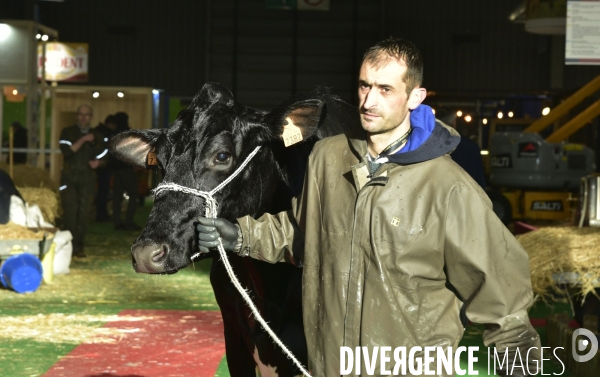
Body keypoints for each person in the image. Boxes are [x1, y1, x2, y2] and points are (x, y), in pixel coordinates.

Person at [196, 38, 541, 375]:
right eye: (364, 86)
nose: (369, 101)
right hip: (331, 364)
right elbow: (304, 230)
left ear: (415, 97)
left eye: (385, 90)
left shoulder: (447, 186)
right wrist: (241, 235)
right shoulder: (328, 157)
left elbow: (502, 298)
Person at [59, 104, 107, 257]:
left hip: (88, 179)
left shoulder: (99, 136)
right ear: (76, 116)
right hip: (69, 178)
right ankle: (67, 246)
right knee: (70, 212)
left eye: (87, 115)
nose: (83, 118)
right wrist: (84, 139)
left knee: (84, 213)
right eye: (80, 114)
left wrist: (99, 163)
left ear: (91, 117)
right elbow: (67, 152)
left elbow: (105, 156)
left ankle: (78, 246)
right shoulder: (67, 132)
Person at [110, 112, 140, 231]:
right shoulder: (129, 133)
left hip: (116, 170)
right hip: (127, 169)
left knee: (117, 198)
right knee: (133, 196)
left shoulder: (114, 134)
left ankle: (117, 222)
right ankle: (129, 221)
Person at [94, 114, 118, 222]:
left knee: (101, 191)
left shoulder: (97, 131)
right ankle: (101, 215)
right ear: (111, 124)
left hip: (98, 165)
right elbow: (105, 151)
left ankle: (101, 214)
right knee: (103, 192)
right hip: (102, 166)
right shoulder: (104, 134)